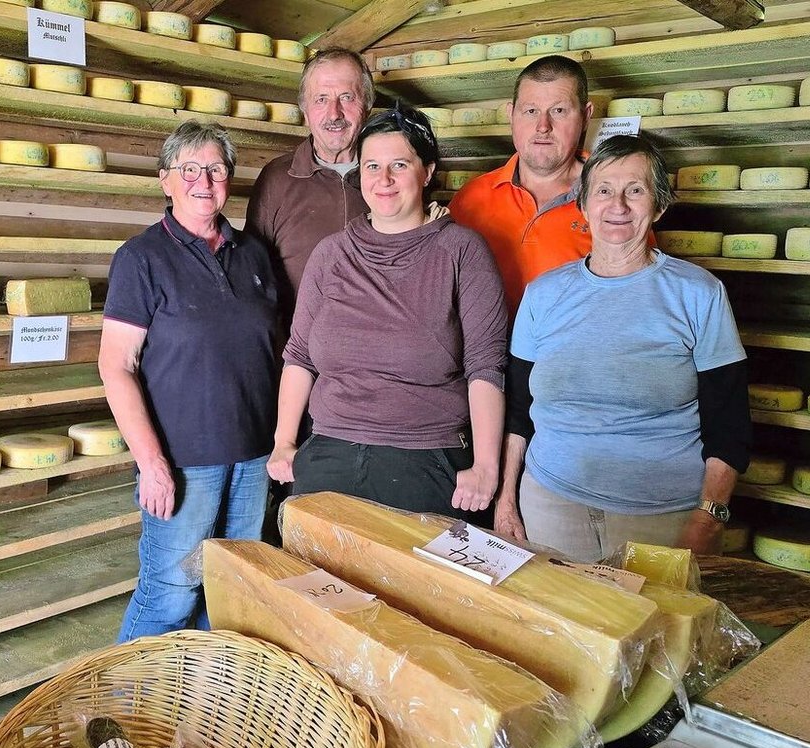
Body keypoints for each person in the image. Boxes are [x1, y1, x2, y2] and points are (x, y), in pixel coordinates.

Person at [495, 135, 750, 561]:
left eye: (635, 190)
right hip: (550, 503)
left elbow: (730, 421)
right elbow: (520, 410)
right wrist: (506, 501)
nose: (618, 206)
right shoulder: (543, 294)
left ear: (659, 206)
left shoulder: (698, 293)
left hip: (660, 516)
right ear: (582, 205)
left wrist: (709, 518)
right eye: (604, 191)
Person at [267, 106, 507, 517]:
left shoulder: (461, 251)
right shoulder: (332, 254)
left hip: (427, 457)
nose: (384, 179)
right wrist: (284, 441)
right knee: (322, 581)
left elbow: (486, 365)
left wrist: (485, 466)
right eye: (373, 165)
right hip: (328, 452)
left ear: (427, 171)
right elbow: (300, 356)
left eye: (400, 164)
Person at [100, 121, 280, 641]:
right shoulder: (141, 259)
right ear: (165, 180)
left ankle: (199, 710)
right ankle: (122, 713)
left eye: (217, 169)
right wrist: (151, 463)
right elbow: (116, 365)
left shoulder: (252, 254)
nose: (204, 181)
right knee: (170, 596)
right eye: (190, 169)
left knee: (230, 593)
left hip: (252, 458)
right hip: (183, 462)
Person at [449, 55, 595, 316]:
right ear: (511, 115)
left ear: (585, 116)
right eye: (530, 111)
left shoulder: (613, 201)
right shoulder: (470, 199)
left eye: (559, 110)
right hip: (485, 353)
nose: (543, 127)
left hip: (573, 356)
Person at [246, 48, 373, 323]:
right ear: (305, 110)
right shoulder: (276, 178)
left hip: (376, 357)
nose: (334, 113)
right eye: (321, 99)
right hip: (297, 358)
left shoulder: (389, 178)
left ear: (368, 105)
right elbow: (253, 277)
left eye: (347, 97)